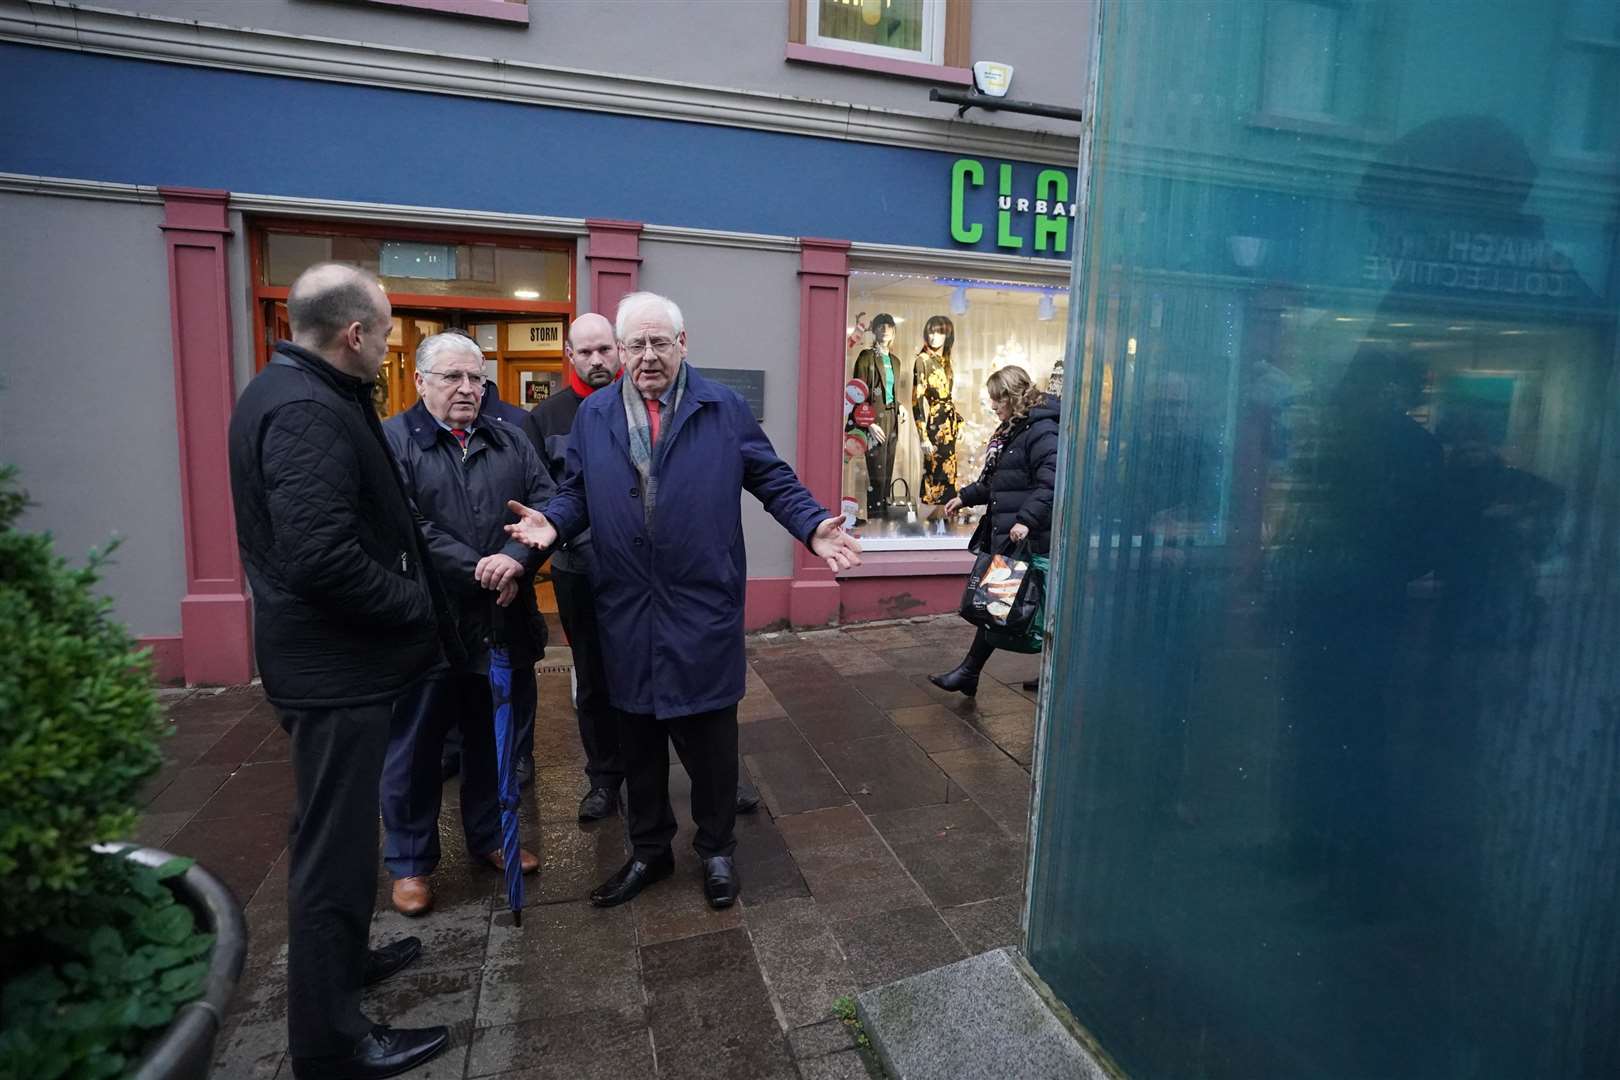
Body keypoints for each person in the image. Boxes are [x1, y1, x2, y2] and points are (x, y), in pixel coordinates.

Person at [504, 292, 861, 910]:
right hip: (626, 605)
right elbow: (577, 491)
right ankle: (649, 851)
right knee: (637, 740)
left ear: (683, 344)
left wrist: (811, 525)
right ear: (619, 350)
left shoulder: (721, 407)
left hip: (700, 603)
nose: (647, 357)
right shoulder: (594, 417)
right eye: (635, 345)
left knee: (711, 740)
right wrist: (552, 525)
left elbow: (771, 477)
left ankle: (717, 850)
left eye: (659, 343)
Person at [226, 263, 449, 1080]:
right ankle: (332, 1041)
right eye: (386, 331)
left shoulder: (298, 390)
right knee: (334, 849)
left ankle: (346, 964)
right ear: (353, 334)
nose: (388, 342)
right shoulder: (304, 411)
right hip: (333, 671)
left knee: (341, 837)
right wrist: (412, 602)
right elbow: (319, 556)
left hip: (333, 665)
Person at [379, 332, 551, 917]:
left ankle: (488, 839)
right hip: (428, 623)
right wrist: (482, 568)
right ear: (421, 381)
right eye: (452, 377)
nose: (467, 389)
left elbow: (546, 509)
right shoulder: (393, 443)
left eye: (476, 378)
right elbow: (404, 526)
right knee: (416, 746)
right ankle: (410, 862)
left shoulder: (510, 439)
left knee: (492, 741)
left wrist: (521, 560)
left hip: (502, 618)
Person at [523, 312, 625, 821]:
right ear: (569, 356)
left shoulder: (645, 407)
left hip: (637, 570)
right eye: (585, 352)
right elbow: (546, 497)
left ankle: (711, 773)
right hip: (578, 570)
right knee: (592, 675)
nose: (597, 360)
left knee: (661, 664)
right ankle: (604, 778)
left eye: (605, 349)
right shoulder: (546, 418)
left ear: (619, 350)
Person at [929, 365, 1060, 696]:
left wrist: (1026, 519)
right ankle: (969, 673)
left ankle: (1051, 677)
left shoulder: (1041, 431)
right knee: (994, 607)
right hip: (1013, 537)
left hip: (1031, 540)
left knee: (1038, 614)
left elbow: (1052, 482)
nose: (991, 405)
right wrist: (964, 497)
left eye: (995, 399)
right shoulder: (1013, 431)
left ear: (1011, 397)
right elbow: (999, 482)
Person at [849, 313, 904, 518]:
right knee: (877, 476)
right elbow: (858, 392)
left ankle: (883, 519)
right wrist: (868, 422)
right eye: (881, 326)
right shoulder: (866, 357)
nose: (886, 330)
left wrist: (900, 406)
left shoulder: (896, 362)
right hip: (874, 420)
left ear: (894, 331)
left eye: (890, 326)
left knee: (887, 473)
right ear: (875, 330)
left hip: (892, 418)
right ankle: (875, 520)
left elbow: (890, 392)